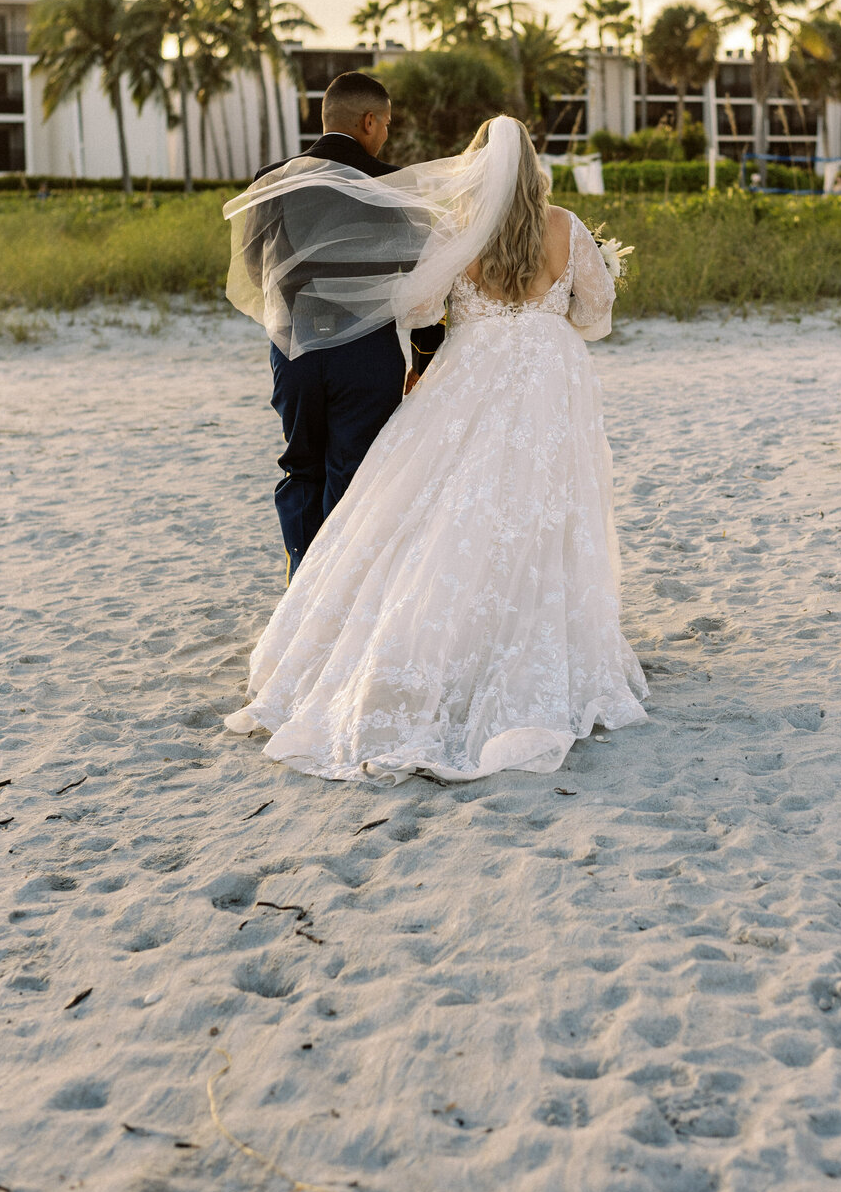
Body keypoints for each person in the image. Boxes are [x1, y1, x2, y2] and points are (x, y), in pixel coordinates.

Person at [223, 114, 648, 783]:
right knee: (542, 507)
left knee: (441, 506)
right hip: (550, 377)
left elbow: (419, 309)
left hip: (470, 369)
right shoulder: (567, 228)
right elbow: (596, 317)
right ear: (536, 166)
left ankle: (437, 646)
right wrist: (548, 316)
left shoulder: (457, 231)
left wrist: (468, 320)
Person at [241, 71, 444, 580]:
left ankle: (300, 579)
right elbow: (424, 277)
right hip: (367, 351)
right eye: (387, 124)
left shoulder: (273, 178)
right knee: (355, 473)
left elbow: (251, 265)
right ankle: (341, 589)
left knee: (300, 464)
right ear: (368, 121)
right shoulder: (392, 186)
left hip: (296, 348)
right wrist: (424, 353)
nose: (387, 136)